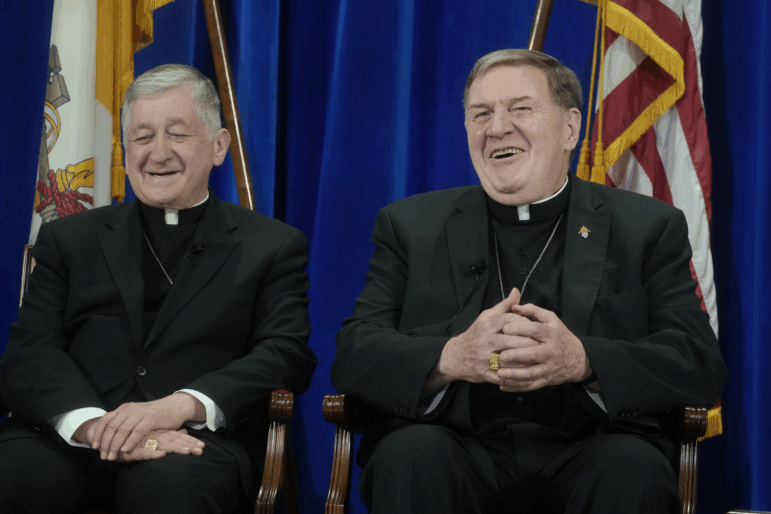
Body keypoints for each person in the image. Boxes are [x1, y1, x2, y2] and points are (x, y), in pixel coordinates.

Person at [331, 49, 728, 514]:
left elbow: (699, 364)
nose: (497, 127)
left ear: (570, 128)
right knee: (409, 456)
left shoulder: (646, 227)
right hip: (454, 443)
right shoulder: (410, 226)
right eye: (481, 114)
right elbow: (354, 353)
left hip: (593, 444)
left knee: (631, 469)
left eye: (520, 108)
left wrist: (584, 360)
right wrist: (449, 357)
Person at [0, 64, 317, 513]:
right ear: (126, 150)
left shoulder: (271, 245)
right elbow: (30, 351)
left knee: (174, 497)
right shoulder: (68, 239)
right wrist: (94, 427)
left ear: (219, 145)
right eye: (143, 137)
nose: (158, 153)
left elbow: (284, 353)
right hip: (69, 436)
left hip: (191, 444)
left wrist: (178, 407)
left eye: (178, 134)